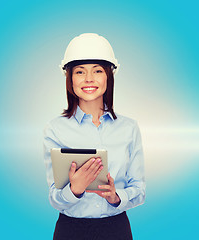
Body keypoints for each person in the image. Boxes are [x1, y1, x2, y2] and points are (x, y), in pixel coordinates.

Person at [44, 33, 145, 240]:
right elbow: (55, 198)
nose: (89, 79)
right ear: (69, 78)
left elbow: (139, 189)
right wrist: (75, 190)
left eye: (97, 70)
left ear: (109, 75)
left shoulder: (129, 128)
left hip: (116, 229)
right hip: (70, 230)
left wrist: (116, 197)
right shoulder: (55, 129)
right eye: (80, 71)